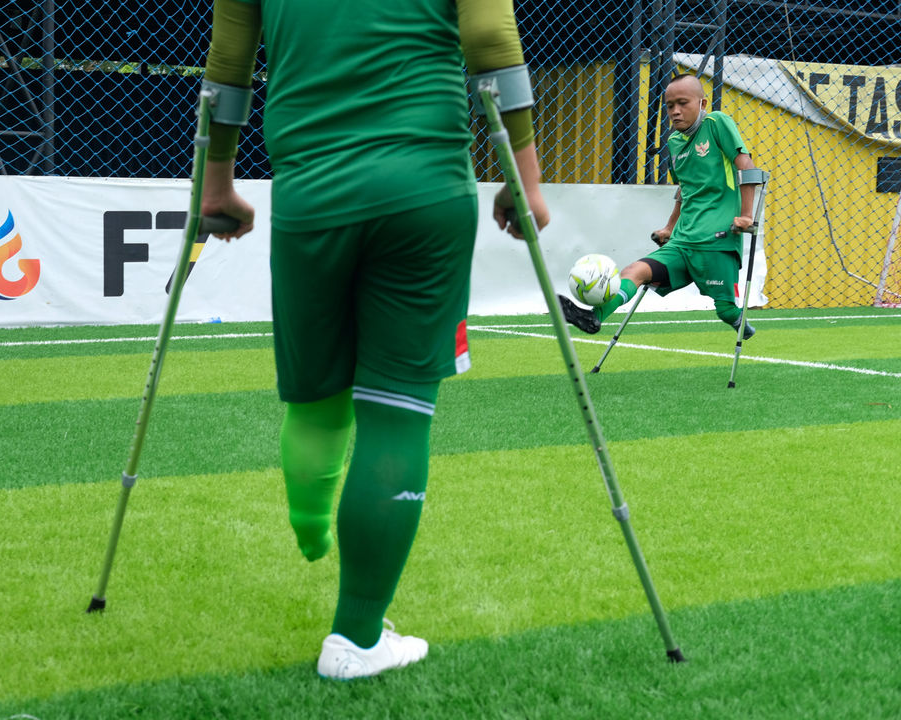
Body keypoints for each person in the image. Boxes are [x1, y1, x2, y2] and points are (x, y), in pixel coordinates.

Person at [199, 0, 549, 680]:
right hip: (422, 189)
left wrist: (218, 186)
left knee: (316, 395)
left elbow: (228, 63)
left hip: (309, 195)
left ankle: (312, 526)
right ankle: (356, 637)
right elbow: (488, 37)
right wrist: (524, 182)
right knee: (398, 412)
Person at [559, 73, 760, 339]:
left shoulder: (716, 123)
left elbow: (746, 166)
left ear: (702, 103)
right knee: (635, 271)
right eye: (669, 106)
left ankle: (739, 323)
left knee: (725, 310)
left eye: (683, 103)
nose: (675, 111)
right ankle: (593, 317)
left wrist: (746, 216)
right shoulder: (674, 143)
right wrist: (669, 226)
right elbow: (685, 189)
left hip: (717, 241)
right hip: (682, 242)